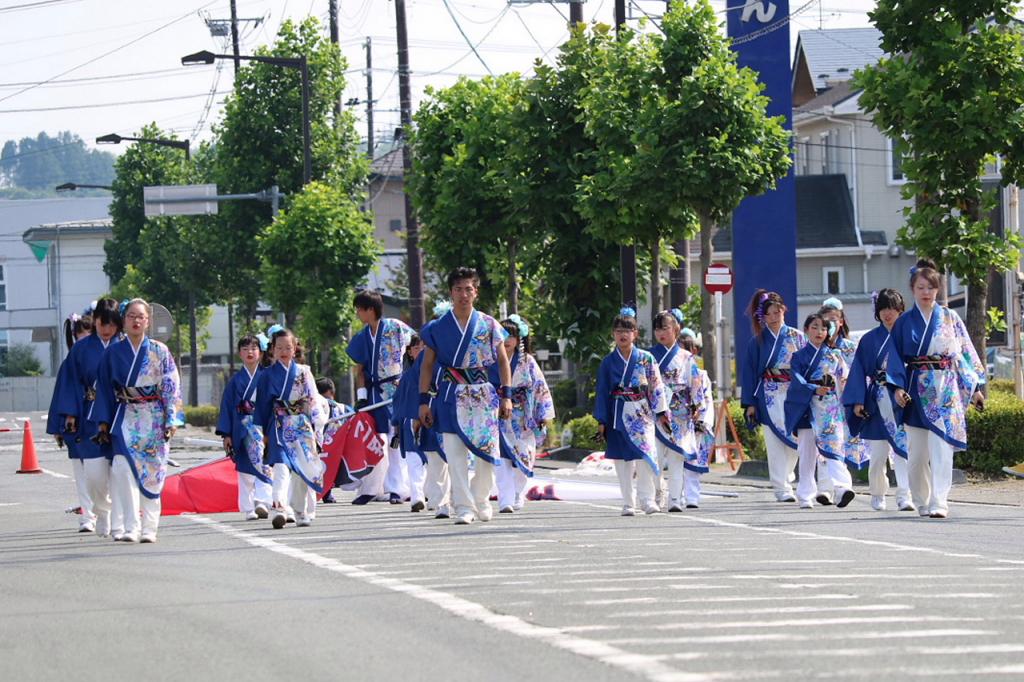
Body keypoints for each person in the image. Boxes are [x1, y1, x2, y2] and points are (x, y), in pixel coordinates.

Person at [889, 259, 985, 519]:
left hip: (946, 389)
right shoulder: (904, 322)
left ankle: (940, 500)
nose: (926, 292)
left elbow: (964, 354)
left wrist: (974, 387)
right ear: (913, 289)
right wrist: (897, 388)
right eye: (921, 287)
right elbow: (895, 357)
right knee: (917, 456)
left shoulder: (950, 317)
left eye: (931, 287)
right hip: (915, 388)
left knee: (942, 448)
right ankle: (922, 498)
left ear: (938, 289)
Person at [418, 267, 512, 525]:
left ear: (476, 292)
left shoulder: (490, 324)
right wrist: (423, 401)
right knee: (454, 453)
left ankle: (481, 498)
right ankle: (463, 507)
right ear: (451, 293)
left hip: (482, 395)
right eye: (458, 289)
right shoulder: (437, 327)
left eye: (468, 289)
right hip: (450, 394)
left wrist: (507, 395)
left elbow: (503, 362)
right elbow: (427, 365)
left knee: (487, 453)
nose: (463, 294)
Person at [91, 298, 183, 544]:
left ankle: (149, 528)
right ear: (124, 320)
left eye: (141, 316)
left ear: (148, 321)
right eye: (131, 316)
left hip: (154, 417)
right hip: (125, 416)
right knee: (122, 469)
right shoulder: (113, 352)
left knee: (153, 473)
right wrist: (102, 421)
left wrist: (171, 417)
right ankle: (131, 526)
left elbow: (171, 385)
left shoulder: (159, 351)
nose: (136, 320)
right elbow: (104, 388)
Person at [843, 289, 915, 512]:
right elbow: (857, 371)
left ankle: (905, 495)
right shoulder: (869, 339)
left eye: (892, 308)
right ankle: (877, 493)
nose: (887, 313)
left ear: (900, 310)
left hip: (903, 401)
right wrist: (857, 401)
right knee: (878, 454)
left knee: (904, 451)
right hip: (878, 400)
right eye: (883, 308)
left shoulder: (909, 335)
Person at [594, 307, 670, 516]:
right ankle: (628, 502)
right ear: (613, 334)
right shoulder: (608, 362)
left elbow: (656, 386)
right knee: (621, 461)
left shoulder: (646, 358)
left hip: (641, 412)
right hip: (618, 412)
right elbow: (602, 392)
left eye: (627, 330)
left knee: (645, 456)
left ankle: (646, 500)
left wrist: (662, 412)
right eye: (619, 330)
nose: (623, 334)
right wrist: (602, 420)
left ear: (635, 334)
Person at [51, 301, 119, 535]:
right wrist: (70, 414)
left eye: (111, 323)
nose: (107, 329)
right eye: (102, 323)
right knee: (93, 473)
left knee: (120, 470)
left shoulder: (125, 345)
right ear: (96, 322)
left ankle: (119, 521)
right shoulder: (80, 349)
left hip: (120, 414)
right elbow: (69, 382)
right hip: (90, 414)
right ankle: (101, 510)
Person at [346, 290, 414, 505]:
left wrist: (413, 378)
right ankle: (370, 489)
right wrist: (362, 396)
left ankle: (397, 489)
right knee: (376, 441)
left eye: (359, 309)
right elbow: (359, 370)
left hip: (396, 389)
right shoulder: (362, 337)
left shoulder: (395, 327)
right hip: (374, 393)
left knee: (395, 439)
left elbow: (417, 345)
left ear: (370, 309)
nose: (357, 313)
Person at [255, 328, 327, 528]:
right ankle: (279, 508)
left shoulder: (304, 372)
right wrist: (262, 433)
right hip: (278, 424)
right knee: (281, 467)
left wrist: (317, 420)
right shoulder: (267, 375)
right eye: (279, 348)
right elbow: (262, 405)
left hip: (301, 426)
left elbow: (312, 399)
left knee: (303, 470)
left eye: (288, 347)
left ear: (295, 349)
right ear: (273, 351)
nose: (284, 351)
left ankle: (299, 509)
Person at [784, 312, 856, 509]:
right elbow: (797, 380)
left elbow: (845, 377)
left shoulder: (835, 355)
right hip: (807, 407)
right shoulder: (799, 356)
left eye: (823, 328)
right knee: (807, 453)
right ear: (806, 330)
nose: (819, 331)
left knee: (834, 448)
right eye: (814, 327)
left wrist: (847, 390)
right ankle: (805, 494)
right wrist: (814, 388)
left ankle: (842, 487)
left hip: (830, 407)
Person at [741, 290, 805, 502]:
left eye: (779, 311)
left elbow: (807, 364)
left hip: (793, 394)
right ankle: (781, 488)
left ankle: (787, 476)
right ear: (764, 317)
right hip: (769, 394)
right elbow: (749, 373)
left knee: (795, 440)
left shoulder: (798, 337)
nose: (776, 316)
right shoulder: (757, 342)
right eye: (771, 313)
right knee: (775, 443)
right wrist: (750, 403)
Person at [490, 314, 555, 514]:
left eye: (512, 335)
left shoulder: (528, 361)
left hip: (522, 415)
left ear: (519, 340)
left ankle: (518, 492)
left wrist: (542, 414)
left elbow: (539, 387)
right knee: (501, 459)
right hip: (497, 414)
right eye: (504, 334)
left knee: (525, 456)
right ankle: (505, 499)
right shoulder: (490, 359)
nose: (508, 339)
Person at [649, 309, 711, 512]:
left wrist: (697, 406)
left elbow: (695, 384)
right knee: (655, 458)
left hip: (680, 413)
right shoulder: (649, 356)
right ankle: (659, 492)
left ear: (676, 329)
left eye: (665, 328)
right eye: (657, 329)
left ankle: (675, 499)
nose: (661, 333)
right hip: (656, 412)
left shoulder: (686, 357)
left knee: (677, 458)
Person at [216, 335, 273, 521]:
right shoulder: (235, 381)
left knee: (265, 465)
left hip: (262, 425)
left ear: (261, 352)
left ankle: (263, 502)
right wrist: (226, 434)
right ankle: (248, 507)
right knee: (245, 470)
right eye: (246, 349)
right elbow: (227, 406)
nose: (250, 352)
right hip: (241, 427)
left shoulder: (266, 376)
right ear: (240, 353)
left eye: (254, 348)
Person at [820, 297, 870, 492]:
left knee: (841, 442)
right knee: (825, 442)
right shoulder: (816, 348)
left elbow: (861, 373)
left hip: (845, 401)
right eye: (826, 319)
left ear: (841, 321)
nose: (831, 323)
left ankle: (839, 486)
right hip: (823, 402)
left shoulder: (850, 347)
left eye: (834, 318)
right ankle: (824, 488)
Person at [390, 335, 429, 511]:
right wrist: (397, 428)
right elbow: (398, 404)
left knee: (434, 462)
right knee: (414, 462)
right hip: (409, 423)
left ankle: (435, 495)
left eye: (424, 347)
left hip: (431, 422)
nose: (420, 351)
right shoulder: (406, 378)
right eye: (416, 348)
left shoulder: (437, 372)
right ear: (409, 352)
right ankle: (417, 496)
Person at [315, 376, 353, 504]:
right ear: (332, 392)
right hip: (335, 447)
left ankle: (319, 492)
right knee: (331, 468)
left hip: (318, 444)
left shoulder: (313, 406)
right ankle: (328, 493)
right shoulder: (343, 408)